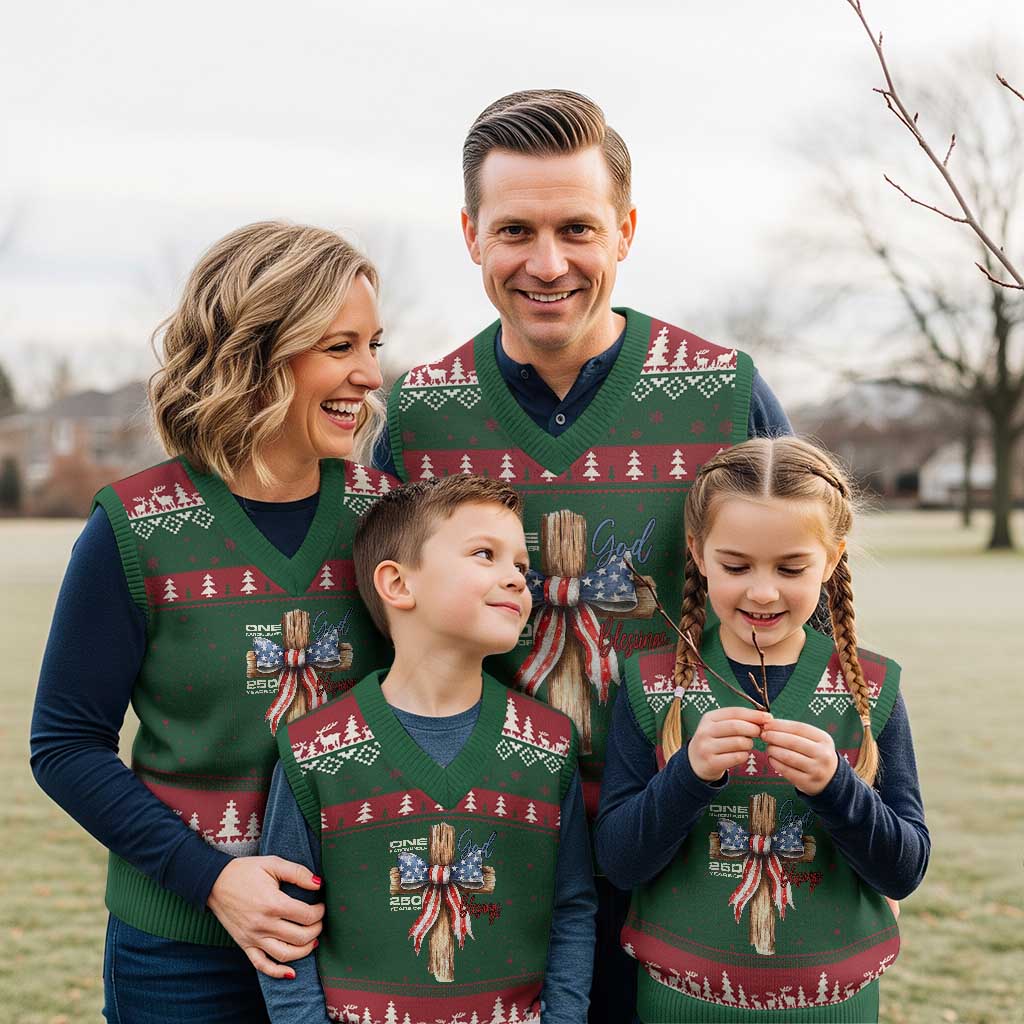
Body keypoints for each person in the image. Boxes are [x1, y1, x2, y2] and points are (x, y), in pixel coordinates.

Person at [374, 88, 793, 1022]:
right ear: (471, 234)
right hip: (495, 834)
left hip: (693, 823)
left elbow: (806, 608)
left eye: (578, 227)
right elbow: (382, 635)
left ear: (627, 230)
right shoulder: (418, 416)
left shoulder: (723, 395)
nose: (547, 262)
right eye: (515, 229)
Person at [30, 221, 399, 1023]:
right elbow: (63, 745)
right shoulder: (132, 528)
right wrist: (214, 879)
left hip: (359, 939)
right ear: (260, 354)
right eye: (341, 347)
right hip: (176, 952)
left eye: (374, 343)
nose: (371, 375)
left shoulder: (388, 523)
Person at [594, 437, 930, 1023]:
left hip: (835, 1008)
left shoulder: (870, 691)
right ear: (697, 553)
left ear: (831, 560)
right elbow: (620, 863)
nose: (763, 590)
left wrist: (837, 786)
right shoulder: (651, 686)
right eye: (736, 565)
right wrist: (688, 777)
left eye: (791, 567)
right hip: (679, 1006)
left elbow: (903, 870)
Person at [257, 474, 596, 1024]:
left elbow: (571, 908)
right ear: (397, 585)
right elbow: (286, 928)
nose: (516, 579)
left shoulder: (550, 744)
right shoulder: (312, 750)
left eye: (522, 567)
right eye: (485, 554)